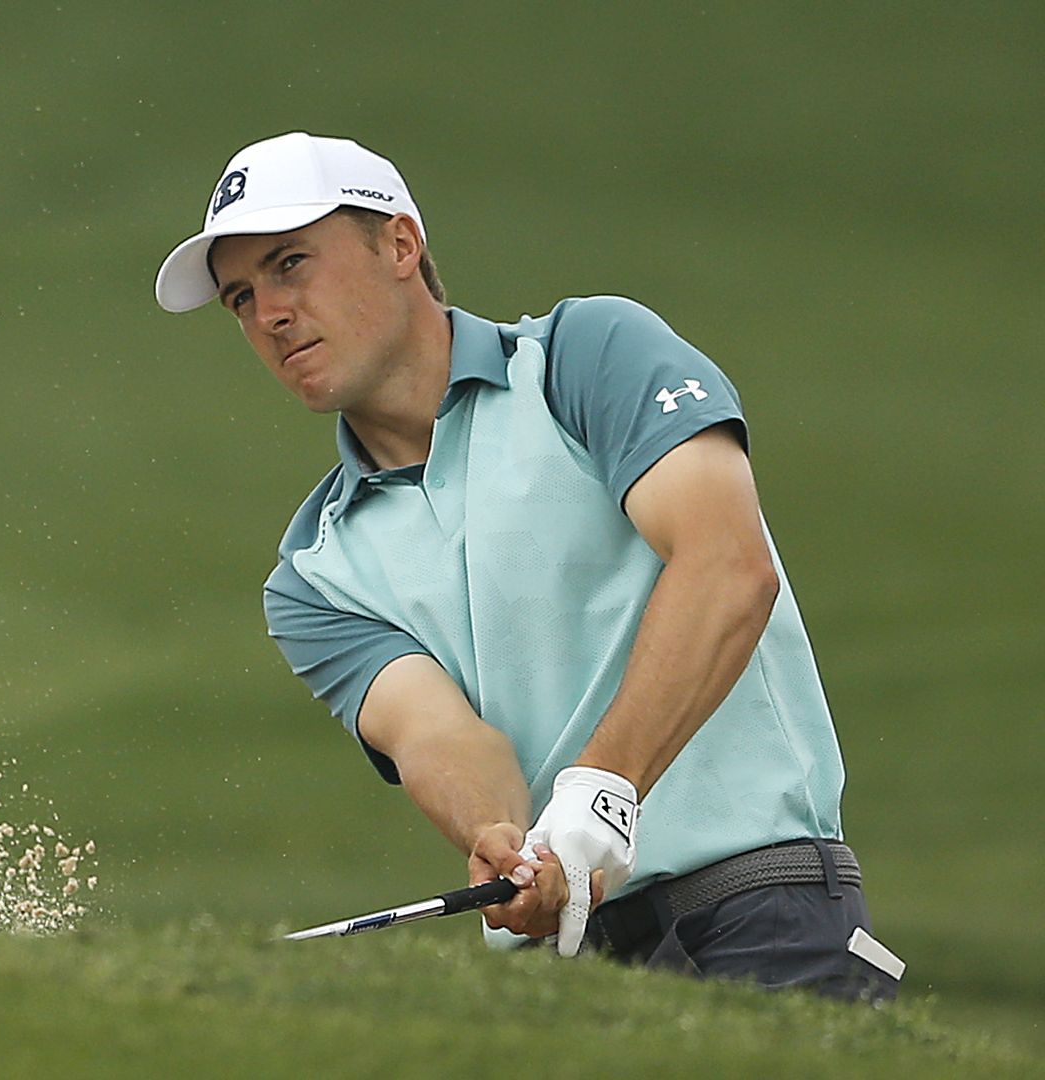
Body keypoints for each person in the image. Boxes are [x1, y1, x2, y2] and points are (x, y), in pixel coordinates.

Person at [153, 132, 902, 1002]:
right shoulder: (313, 575)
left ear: (400, 245)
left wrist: (602, 792)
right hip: (568, 978)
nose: (269, 313)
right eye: (241, 297)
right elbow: (438, 735)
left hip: (757, 911)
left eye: (291, 265)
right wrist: (504, 837)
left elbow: (727, 565)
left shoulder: (585, 358)